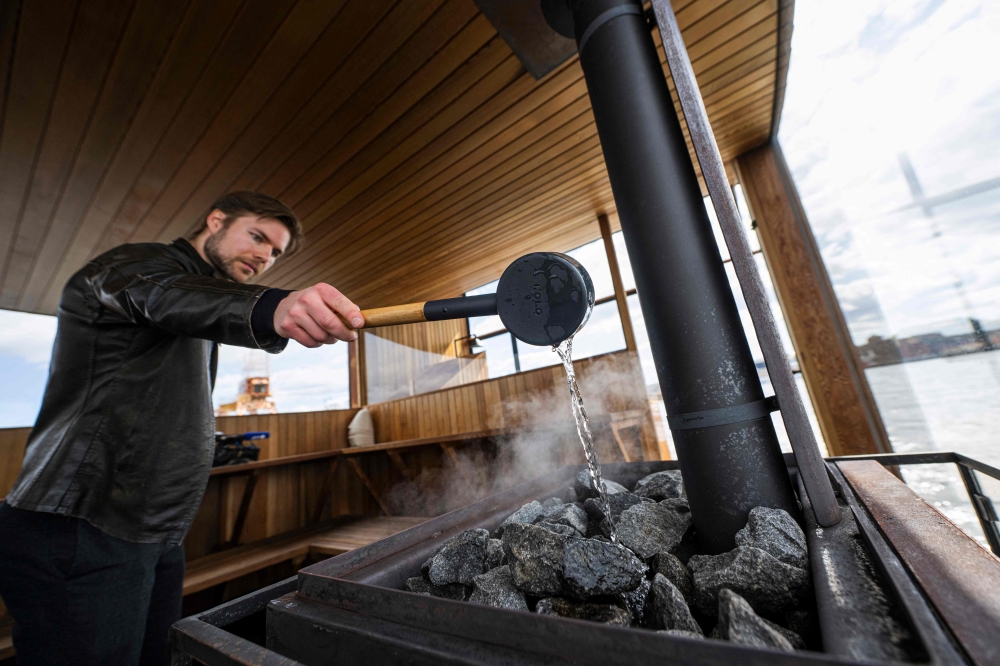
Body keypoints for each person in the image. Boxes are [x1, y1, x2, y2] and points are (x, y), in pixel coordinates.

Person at [0, 191, 362, 665]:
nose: (263, 256)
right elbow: (161, 293)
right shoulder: (138, 269)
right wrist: (269, 308)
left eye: (274, 252)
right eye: (256, 237)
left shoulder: (197, 310)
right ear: (215, 221)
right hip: (81, 524)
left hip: (154, 532)